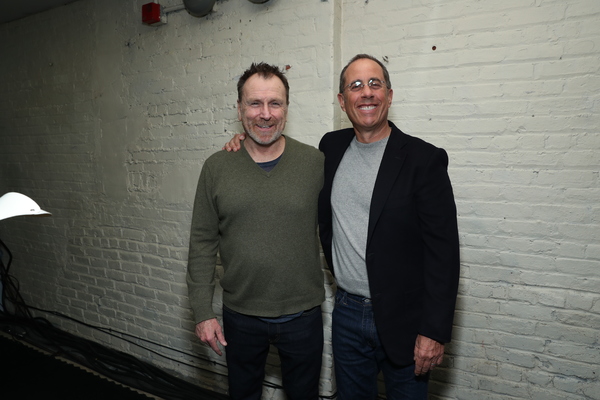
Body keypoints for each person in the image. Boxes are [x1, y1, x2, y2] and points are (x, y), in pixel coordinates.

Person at [224, 54, 460, 399]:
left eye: (374, 84)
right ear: (342, 101)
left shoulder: (423, 159)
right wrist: (243, 142)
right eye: (356, 85)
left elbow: (444, 252)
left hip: (405, 321)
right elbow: (278, 159)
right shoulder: (330, 149)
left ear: (389, 96)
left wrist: (434, 331)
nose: (366, 93)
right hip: (348, 315)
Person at [186, 62, 325, 400]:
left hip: (302, 316)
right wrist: (203, 312)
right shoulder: (217, 167)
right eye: (255, 103)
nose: (265, 114)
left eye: (275, 103)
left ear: (287, 109)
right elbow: (202, 242)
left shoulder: (315, 163)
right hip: (241, 316)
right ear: (239, 109)